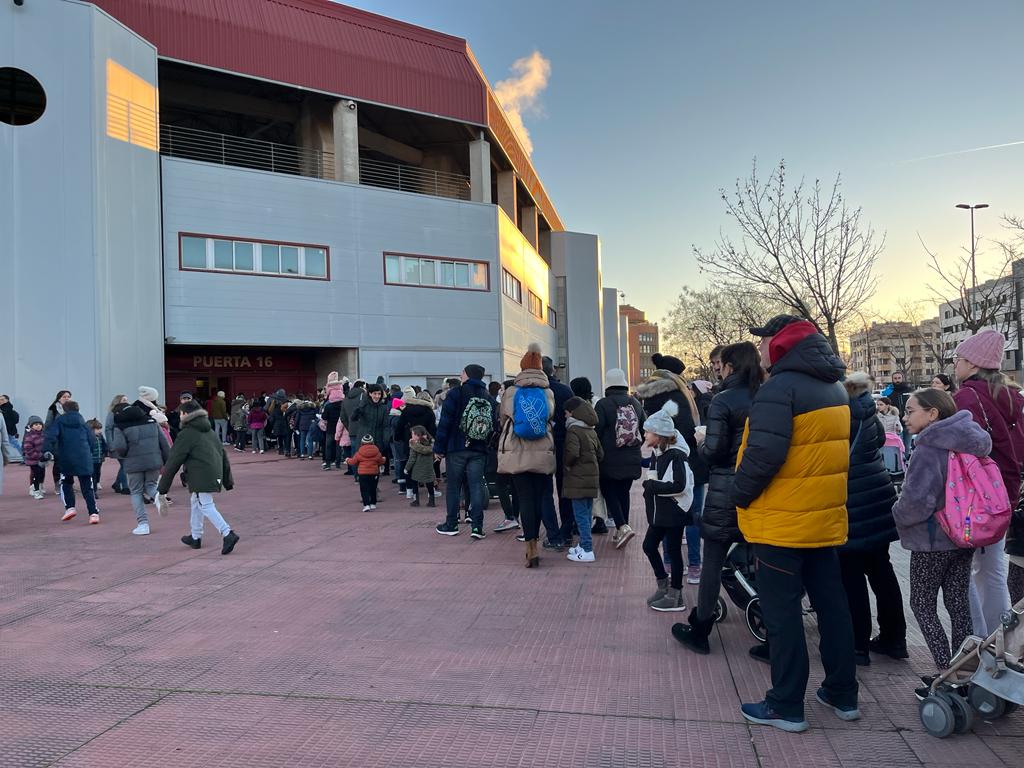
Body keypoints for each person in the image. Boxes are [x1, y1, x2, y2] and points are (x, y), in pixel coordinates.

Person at [733, 314, 858, 733]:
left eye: (764, 339)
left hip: (782, 524)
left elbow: (762, 457)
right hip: (823, 521)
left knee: (782, 613)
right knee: (831, 605)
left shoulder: (780, 389)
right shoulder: (835, 387)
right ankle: (843, 692)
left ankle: (786, 704)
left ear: (780, 342)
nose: (761, 348)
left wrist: (737, 495)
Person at [892, 389, 988, 682]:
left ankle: (945, 669)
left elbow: (917, 501)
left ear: (932, 413)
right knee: (958, 602)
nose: (905, 417)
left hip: (933, 539)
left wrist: (897, 512)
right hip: (966, 533)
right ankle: (966, 667)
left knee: (921, 603)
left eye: (911, 411)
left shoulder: (929, 446)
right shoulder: (972, 440)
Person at [673, 341, 762, 655]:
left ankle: (701, 626)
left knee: (713, 557)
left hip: (726, 487)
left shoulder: (724, 400)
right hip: (762, 488)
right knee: (762, 555)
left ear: (729, 367)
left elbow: (714, 451)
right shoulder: (766, 396)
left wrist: (700, 442)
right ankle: (768, 618)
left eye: (720, 365)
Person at [951, 330, 1024, 634]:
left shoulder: (967, 396)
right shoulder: (1013, 395)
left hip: (977, 493)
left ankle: (980, 640)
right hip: (1007, 489)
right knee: (992, 569)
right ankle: (1001, 637)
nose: (955, 366)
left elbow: (963, 445)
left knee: (964, 572)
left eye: (958, 359)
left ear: (972, 363)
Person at [837, 372, 905, 666]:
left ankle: (857, 644)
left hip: (850, 501)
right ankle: (895, 638)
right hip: (877, 498)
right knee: (881, 570)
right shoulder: (866, 409)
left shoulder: (837, 409)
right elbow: (877, 440)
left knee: (850, 575)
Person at [636, 353, 707, 582]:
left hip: (664, 462)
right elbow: (686, 430)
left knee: (666, 515)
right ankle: (694, 565)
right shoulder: (679, 396)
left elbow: (648, 432)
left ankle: (668, 564)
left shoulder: (651, 399)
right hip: (690, 462)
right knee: (693, 515)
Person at [157, 400, 239, 555]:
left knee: (206, 504)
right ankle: (196, 536)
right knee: (196, 501)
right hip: (211, 474)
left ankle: (227, 533)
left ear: (186, 414)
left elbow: (173, 461)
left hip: (201, 475)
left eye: (181, 413)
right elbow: (223, 455)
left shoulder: (187, 434)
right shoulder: (209, 431)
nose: (179, 415)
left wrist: (162, 488)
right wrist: (227, 480)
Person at [497, 344, 555, 565]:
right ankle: (536, 543)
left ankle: (529, 544)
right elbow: (549, 416)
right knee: (540, 497)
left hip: (517, 451)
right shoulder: (547, 392)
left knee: (524, 498)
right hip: (543, 451)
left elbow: (503, 420)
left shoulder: (511, 391)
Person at [435, 364, 498, 540]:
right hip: (479, 449)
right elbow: (493, 426)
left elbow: (445, 423)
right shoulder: (488, 397)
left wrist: (439, 449)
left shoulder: (455, 394)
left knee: (454, 486)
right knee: (476, 485)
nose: (460, 375)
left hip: (457, 447)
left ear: (468, 375)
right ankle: (477, 527)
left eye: (462, 372)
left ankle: (451, 524)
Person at [640, 400, 693, 612]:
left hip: (673, 511)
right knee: (650, 546)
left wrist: (652, 486)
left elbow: (680, 485)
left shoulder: (676, 456)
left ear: (659, 435)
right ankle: (664, 586)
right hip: (662, 512)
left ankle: (675, 595)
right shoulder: (659, 454)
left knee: (672, 550)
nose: (644, 436)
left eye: (648, 432)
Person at [594, 367, 644, 548]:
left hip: (609, 458)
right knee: (624, 493)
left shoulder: (603, 404)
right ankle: (622, 528)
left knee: (609, 492)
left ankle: (622, 526)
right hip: (632, 457)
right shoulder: (635, 403)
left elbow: (597, 431)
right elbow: (643, 429)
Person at [111, 393, 171, 536]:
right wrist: (166, 460)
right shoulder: (151, 421)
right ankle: (157, 497)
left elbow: (119, 447)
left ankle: (143, 524)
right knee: (151, 485)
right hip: (153, 461)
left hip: (133, 463)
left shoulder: (120, 425)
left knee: (136, 492)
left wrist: (124, 455)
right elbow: (164, 443)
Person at [43, 399, 100, 524]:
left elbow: (50, 437)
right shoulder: (83, 423)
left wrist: (46, 451)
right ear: (78, 409)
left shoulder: (59, 422)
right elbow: (92, 440)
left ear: (64, 410)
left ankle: (70, 508)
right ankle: (93, 513)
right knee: (87, 486)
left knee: (66, 482)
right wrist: (88, 452)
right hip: (83, 456)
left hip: (66, 456)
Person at [540, 355, 575, 550]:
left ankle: (552, 532)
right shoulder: (564, 390)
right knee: (565, 488)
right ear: (553, 370)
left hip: (540, 444)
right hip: (563, 443)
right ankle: (567, 530)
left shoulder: (535, 391)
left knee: (543, 490)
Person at [563, 396, 603, 563]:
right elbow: (601, 454)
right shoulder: (591, 430)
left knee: (580, 515)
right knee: (586, 514)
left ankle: (587, 549)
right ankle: (582, 545)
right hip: (591, 478)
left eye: (566, 413)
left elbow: (572, 452)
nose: (565, 416)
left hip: (577, 479)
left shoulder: (573, 430)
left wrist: (566, 464)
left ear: (572, 413)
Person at [346, 434, 386, 511]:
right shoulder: (377, 451)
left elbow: (353, 462)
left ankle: (366, 505)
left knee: (364, 489)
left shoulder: (359, 452)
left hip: (363, 473)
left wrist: (347, 460)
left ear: (362, 442)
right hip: (374, 473)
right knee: (373, 488)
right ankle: (373, 503)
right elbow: (381, 461)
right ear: (372, 442)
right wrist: (384, 459)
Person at [45, 390, 72, 492]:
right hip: (57, 439)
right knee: (58, 462)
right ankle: (57, 484)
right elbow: (48, 424)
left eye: (68, 396)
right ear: (59, 398)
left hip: (69, 439)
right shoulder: (53, 408)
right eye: (64, 397)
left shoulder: (71, 408)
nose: (67, 398)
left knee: (69, 462)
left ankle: (67, 484)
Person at [881, 371, 913, 457]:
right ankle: (899, 465)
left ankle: (905, 463)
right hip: (895, 423)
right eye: (895, 378)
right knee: (898, 445)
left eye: (899, 378)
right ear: (892, 380)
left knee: (907, 445)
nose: (897, 380)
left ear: (902, 378)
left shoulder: (909, 390)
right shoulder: (888, 392)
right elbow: (883, 406)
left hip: (908, 422)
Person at [404, 426, 437, 507]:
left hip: (417, 468)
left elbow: (412, 459)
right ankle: (432, 501)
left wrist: (406, 468)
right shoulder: (430, 443)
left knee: (414, 483)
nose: (411, 436)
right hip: (428, 467)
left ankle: (416, 500)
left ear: (417, 435)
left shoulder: (414, 445)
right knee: (429, 483)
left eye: (412, 434)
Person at [322, 373, 347, 470]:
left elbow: (324, 417)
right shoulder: (343, 405)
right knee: (338, 446)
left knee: (328, 446)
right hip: (340, 428)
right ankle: (337, 463)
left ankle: (328, 464)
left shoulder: (328, 406)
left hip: (330, 428)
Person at [23, 415, 46, 499]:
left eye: (40, 424)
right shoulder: (29, 436)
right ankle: (36, 491)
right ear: (31, 426)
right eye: (35, 424)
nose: (38, 426)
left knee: (42, 474)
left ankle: (39, 486)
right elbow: (28, 449)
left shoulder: (44, 435)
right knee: (36, 474)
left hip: (42, 460)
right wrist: (38, 456)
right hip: (33, 460)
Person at [87, 419, 107, 496]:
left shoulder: (100, 436)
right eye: (98, 429)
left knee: (98, 472)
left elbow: (104, 445)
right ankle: (93, 491)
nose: (100, 431)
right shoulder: (88, 438)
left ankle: (97, 483)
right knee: (93, 475)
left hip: (99, 459)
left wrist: (106, 451)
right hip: (91, 460)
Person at [0, 394, 21, 463]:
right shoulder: (2, 410)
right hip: (4, 431)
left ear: (7, 400)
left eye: (2, 399)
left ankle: (27, 457)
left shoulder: (9, 410)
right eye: (0, 399)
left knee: (16, 444)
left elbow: (14, 420)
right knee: (15, 444)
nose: (1, 401)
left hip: (9, 431)